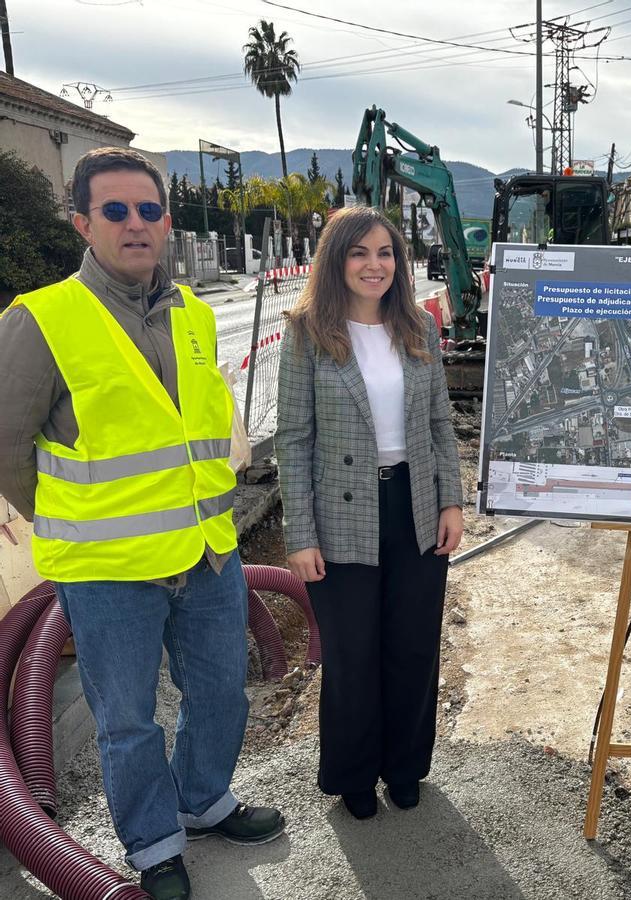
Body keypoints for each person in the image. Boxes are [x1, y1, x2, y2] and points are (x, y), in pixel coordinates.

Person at [0, 147, 284, 900]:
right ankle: (155, 843)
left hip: (207, 552)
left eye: (149, 210)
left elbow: (199, 429)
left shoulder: (193, 313)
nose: (135, 224)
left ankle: (203, 800)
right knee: (128, 719)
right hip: (109, 570)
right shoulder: (41, 320)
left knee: (221, 693)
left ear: (166, 221)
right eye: (116, 211)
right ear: (83, 223)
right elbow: (5, 446)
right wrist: (74, 519)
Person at [275, 206, 464, 820]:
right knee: (352, 653)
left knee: (413, 645)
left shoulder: (418, 327)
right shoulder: (307, 333)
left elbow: (439, 424)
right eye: (359, 252)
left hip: (414, 504)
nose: (374, 265)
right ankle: (353, 772)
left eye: (385, 253)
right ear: (336, 260)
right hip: (340, 512)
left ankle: (405, 765)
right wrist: (300, 533)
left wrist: (451, 499)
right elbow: (293, 440)